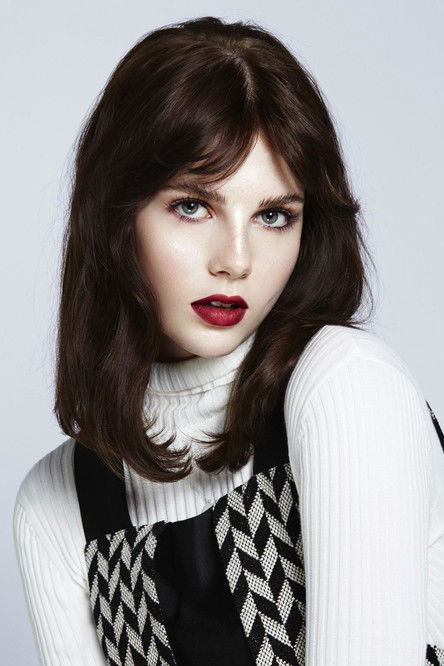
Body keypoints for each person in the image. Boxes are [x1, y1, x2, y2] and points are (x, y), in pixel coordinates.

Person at [12, 15, 444, 666]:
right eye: (193, 206)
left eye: (274, 215)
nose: (236, 260)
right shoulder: (57, 503)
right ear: (115, 219)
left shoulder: (345, 386)